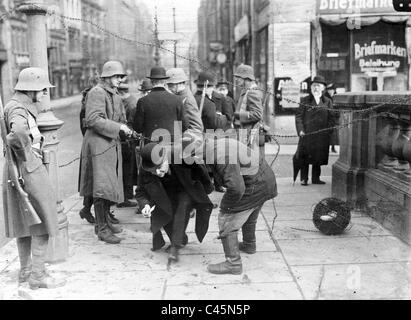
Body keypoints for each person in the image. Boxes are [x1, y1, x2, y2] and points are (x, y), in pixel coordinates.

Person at [2, 67, 66, 289]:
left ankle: (27, 271)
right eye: (42, 90)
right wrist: (28, 152)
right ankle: (37, 276)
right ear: (33, 89)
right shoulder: (19, 109)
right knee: (44, 221)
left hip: (17, 170)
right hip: (28, 169)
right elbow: (18, 132)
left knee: (25, 223)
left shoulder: (13, 105)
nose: (44, 94)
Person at [204, 137, 278, 275]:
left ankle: (233, 263)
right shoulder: (217, 145)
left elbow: (236, 188)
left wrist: (226, 206)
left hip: (255, 185)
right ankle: (249, 244)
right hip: (265, 180)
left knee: (226, 219)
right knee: (250, 213)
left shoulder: (221, 156)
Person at [79, 60, 133, 244]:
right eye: (117, 76)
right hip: (98, 144)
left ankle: (106, 221)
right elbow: (93, 119)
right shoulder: (97, 92)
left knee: (109, 184)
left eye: (120, 76)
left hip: (109, 142)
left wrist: (125, 129)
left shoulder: (113, 94)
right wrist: (119, 127)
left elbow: (120, 119)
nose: (120, 79)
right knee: (101, 186)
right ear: (107, 77)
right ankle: (101, 228)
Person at [135, 142, 214, 263]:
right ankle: (179, 239)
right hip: (165, 191)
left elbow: (201, 171)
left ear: (165, 158)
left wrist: (204, 193)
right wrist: (145, 205)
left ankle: (175, 247)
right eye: (153, 171)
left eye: (159, 168)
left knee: (183, 206)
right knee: (165, 213)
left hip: (186, 187)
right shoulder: (145, 166)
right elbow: (140, 192)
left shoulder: (181, 155)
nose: (157, 173)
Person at [295, 76, 335, 186]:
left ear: (323, 88)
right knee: (305, 157)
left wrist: (329, 130)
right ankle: (304, 178)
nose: (316, 88)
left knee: (318, 156)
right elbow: (298, 116)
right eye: (314, 85)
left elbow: (332, 117)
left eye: (318, 86)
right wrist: (300, 130)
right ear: (311, 87)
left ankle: (316, 178)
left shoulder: (327, 101)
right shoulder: (305, 100)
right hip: (307, 134)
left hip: (321, 135)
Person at [133, 67, 185, 142]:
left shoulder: (142, 101)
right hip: (172, 145)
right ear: (165, 82)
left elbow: (138, 128)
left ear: (151, 81)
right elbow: (185, 125)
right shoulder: (177, 100)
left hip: (151, 146)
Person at [78, 73, 100, 225]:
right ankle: (86, 209)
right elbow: (85, 128)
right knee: (92, 181)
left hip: (94, 145)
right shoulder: (88, 105)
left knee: (94, 181)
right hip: (92, 146)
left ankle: (91, 210)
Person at [233, 64, 264, 155]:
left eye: (238, 77)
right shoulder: (246, 91)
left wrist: (239, 115)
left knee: (249, 163)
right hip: (244, 132)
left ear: (246, 78)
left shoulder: (252, 92)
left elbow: (258, 114)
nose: (236, 79)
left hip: (249, 134)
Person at [117, 83, 139, 209]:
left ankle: (125, 196)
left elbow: (130, 124)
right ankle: (127, 195)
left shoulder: (130, 104)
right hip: (127, 140)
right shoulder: (130, 101)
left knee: (127, 170)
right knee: (128, 170)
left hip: (128, 141)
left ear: (121, 93)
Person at [325, 83, 339, 153]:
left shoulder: (337, 97)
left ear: (334, 90)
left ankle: (333, 147)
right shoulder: (324, 97)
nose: (330, 91)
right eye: (329, 90)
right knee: (326, 134)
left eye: (331, 90)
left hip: (334, 118)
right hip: (326, 118)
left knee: (333, 134)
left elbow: (339, 107)